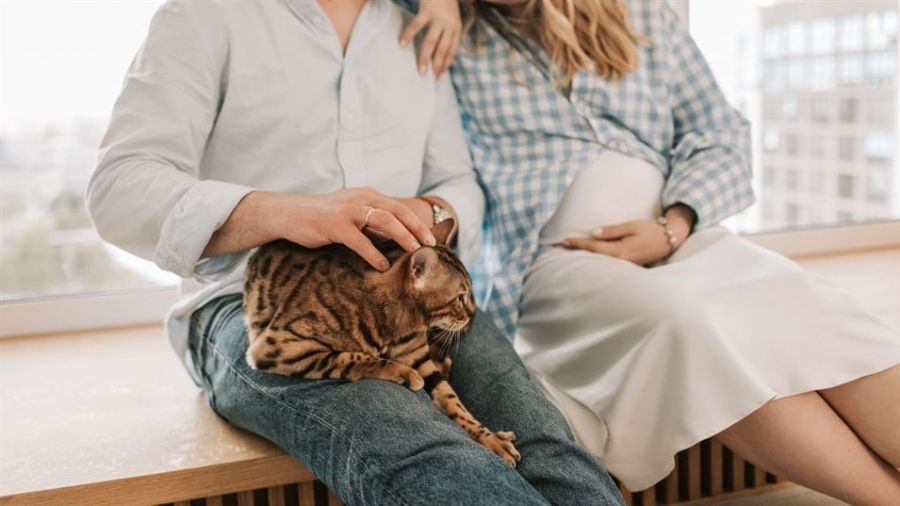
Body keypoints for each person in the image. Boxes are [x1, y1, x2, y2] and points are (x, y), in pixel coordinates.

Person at [87, 0, 625, 505]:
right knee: (427, 455)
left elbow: (458, 184)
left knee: (547, 446)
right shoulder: (205, 15)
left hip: (408, 301)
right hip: (249, 307)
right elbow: (118, 189)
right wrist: (290, 213)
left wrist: (425, 213)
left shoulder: (418, 26)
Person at [406, 0, 900, 504]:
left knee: (801, 301)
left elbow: (721, 135)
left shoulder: (640, 13)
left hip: (678, 238)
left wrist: (673, 226)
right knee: (681, 324)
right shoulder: (447, 29)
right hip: (555, 260)